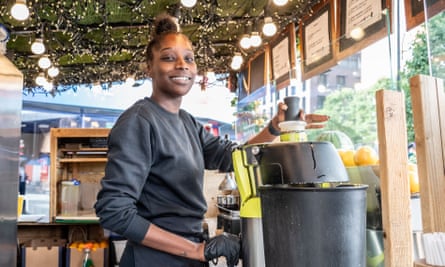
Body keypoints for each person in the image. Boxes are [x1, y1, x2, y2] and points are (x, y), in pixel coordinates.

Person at [94, 13, 329, 267]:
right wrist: (196, 250)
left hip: (188, 254)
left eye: (189, 58)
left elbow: (233, 157)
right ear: (149, 67)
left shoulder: (187, 122)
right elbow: (114, 211)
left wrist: (275, 128)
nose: (182, 65)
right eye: (168, 58)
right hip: (156, 259)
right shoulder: (139, 122)